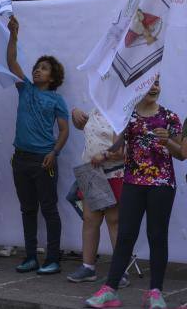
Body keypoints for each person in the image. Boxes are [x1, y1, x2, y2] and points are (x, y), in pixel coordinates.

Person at [85, 79, 184, 309]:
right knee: (126, 235)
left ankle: (155, 293)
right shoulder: (126, 117)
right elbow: (118, 149)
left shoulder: (170, 117)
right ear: (138, 87)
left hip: (162, 184)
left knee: (157, 236)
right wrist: (105, 155)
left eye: (158, 82)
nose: (155, 86)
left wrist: (167, 141)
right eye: (150, 82)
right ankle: (110, 290)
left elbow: (181, 154)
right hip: (132, 183)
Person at [6, 16, 69, 275]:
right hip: (20, 159)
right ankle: (31, 257)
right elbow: (11, 62)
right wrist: (14, 34)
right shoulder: (26, 89)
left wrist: (54, 153)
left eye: (43, 68)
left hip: (44, 160)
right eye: (36, 67)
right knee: (27, 209)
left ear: (53, 76)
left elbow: (64, 131)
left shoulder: (56, 100)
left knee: (49, 209)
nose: (37, 71)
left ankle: (52, 259)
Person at [67, 108, 126, 285]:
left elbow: (122, 151)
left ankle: (120, 272)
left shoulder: (123, 111)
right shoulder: (94, 110)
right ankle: (88, 267)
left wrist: (106, 155)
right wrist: (75, 113)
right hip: (92, 172)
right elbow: (80, 125)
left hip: (114, 172)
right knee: (90, 219)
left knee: (114, 221)